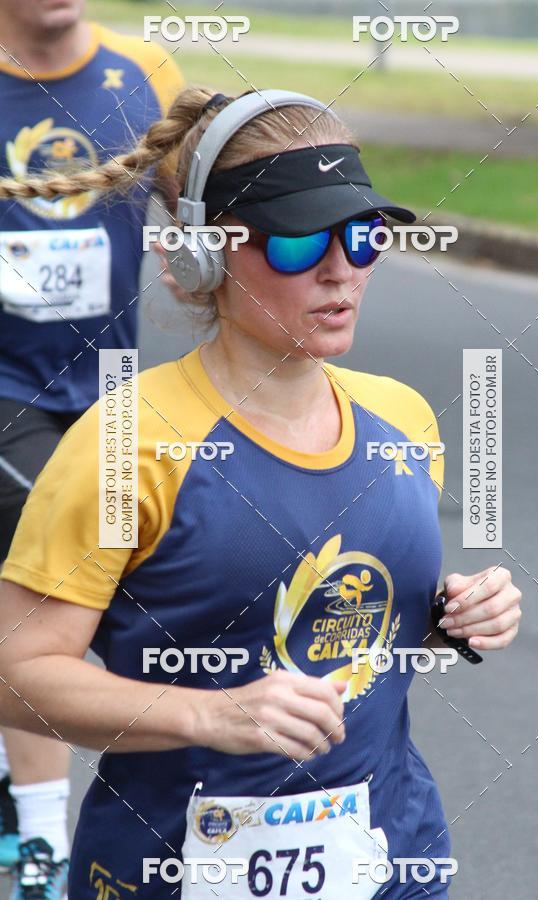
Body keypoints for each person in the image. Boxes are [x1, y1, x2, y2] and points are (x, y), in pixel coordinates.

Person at [0, 85, 522, 899]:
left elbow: (354, 635)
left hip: (391, 858)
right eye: (297, 242)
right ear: (204, 254)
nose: (340, 268)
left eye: (363, 235)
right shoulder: (126, 443)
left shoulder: (404, 418)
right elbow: (17, 673)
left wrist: (454, 620)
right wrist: (208, 714)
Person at [0, 0, 184, 893]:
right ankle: (39, 841)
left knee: (97, 592)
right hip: (5, 391)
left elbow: (200, 204)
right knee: (53, 604)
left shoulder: (148, 73)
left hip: (113, 387)